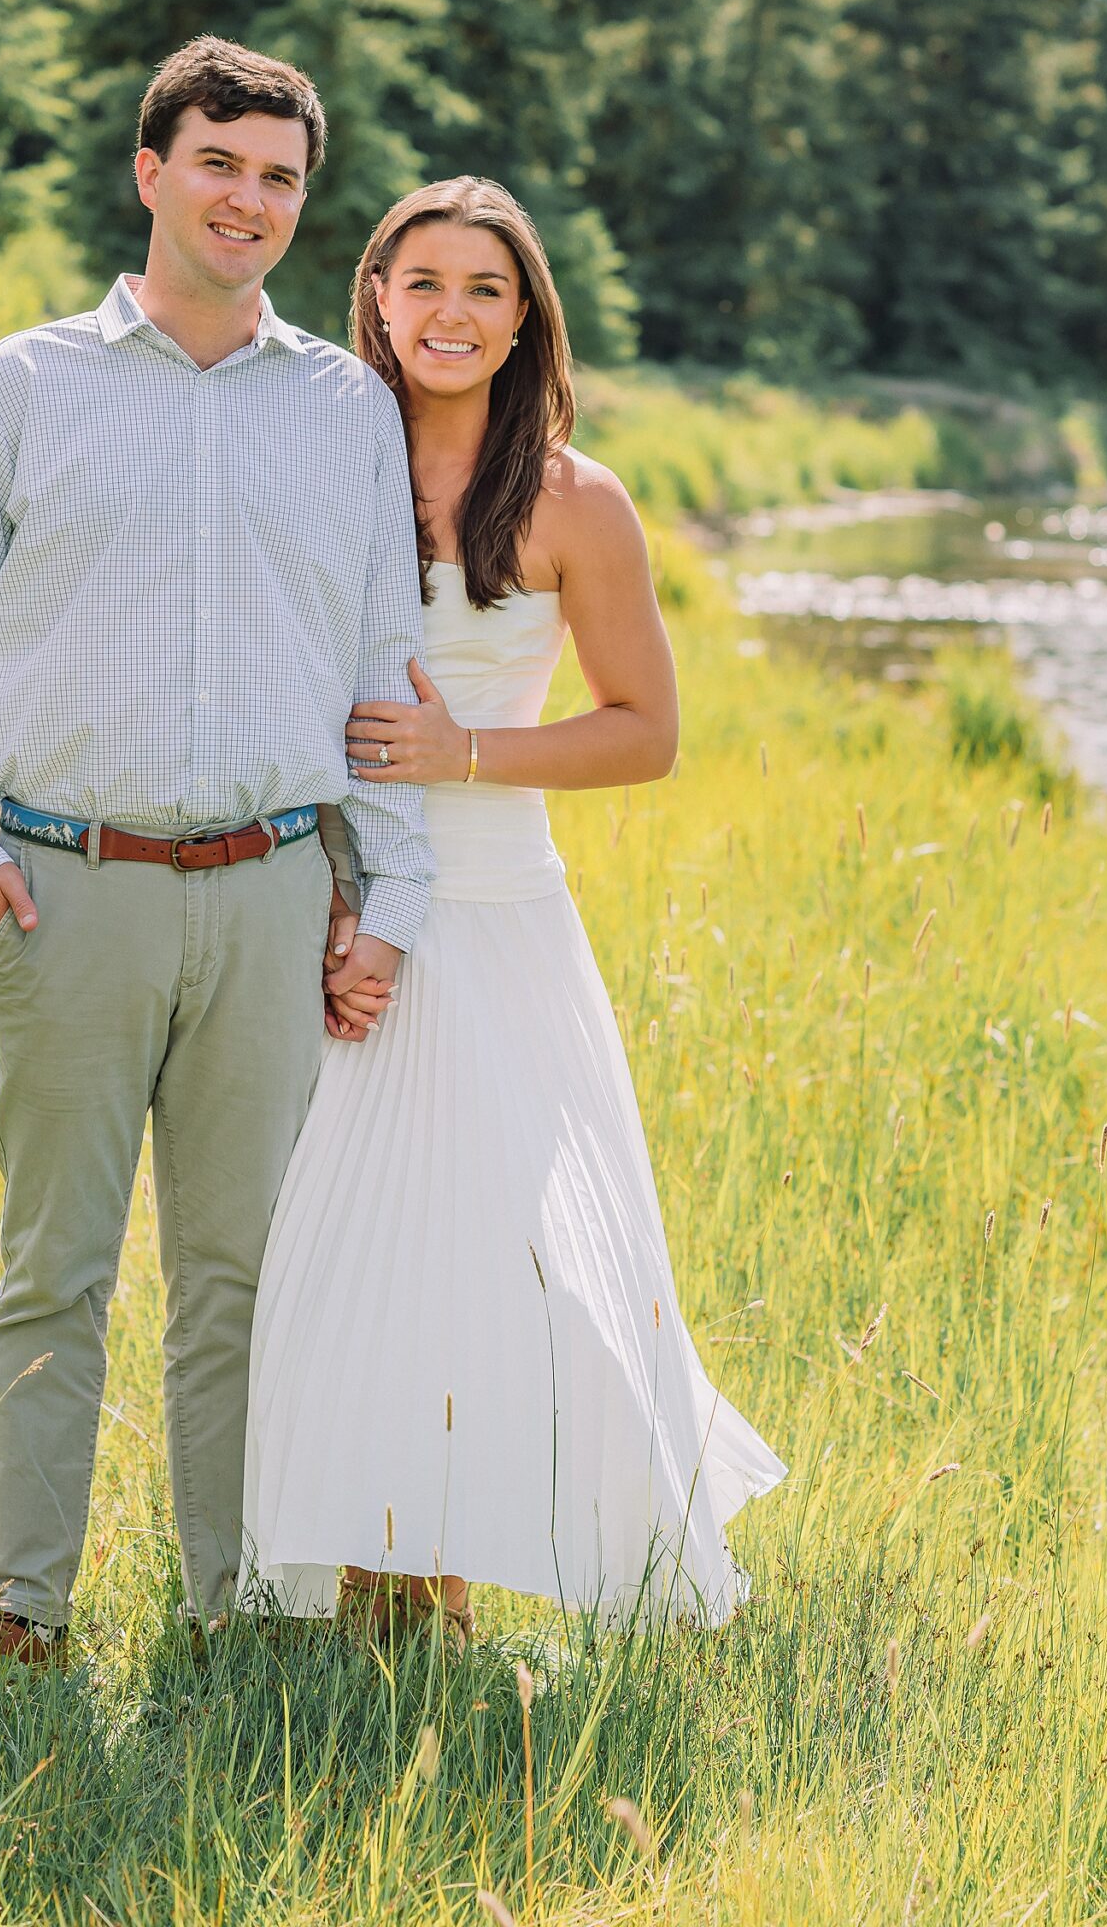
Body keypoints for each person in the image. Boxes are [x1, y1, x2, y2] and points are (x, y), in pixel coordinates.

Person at [0, 36, 431, 1669]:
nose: (248, 199)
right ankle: (22, 1610)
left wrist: (385, 897)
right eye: (219, 164)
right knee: (50, 1269)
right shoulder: (24, 385)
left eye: (278, 178)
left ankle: (234, 1609)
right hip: (66, 887)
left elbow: (381, 672)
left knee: (243, 1281)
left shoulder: (346, 413)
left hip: (274, 891)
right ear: (151, 171)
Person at [242, 178, 786, 1641]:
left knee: (502, 1248)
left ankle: (445, 1570)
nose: (449, 314)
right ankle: (350, 1560)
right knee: (330, 1238)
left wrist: (464, 751)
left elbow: (643, 731)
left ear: (524, 314)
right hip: (308, 892)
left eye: (484, 288)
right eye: (421, 282)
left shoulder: (569, 498)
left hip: (492, 914)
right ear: (373, 296)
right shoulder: (311, 456)